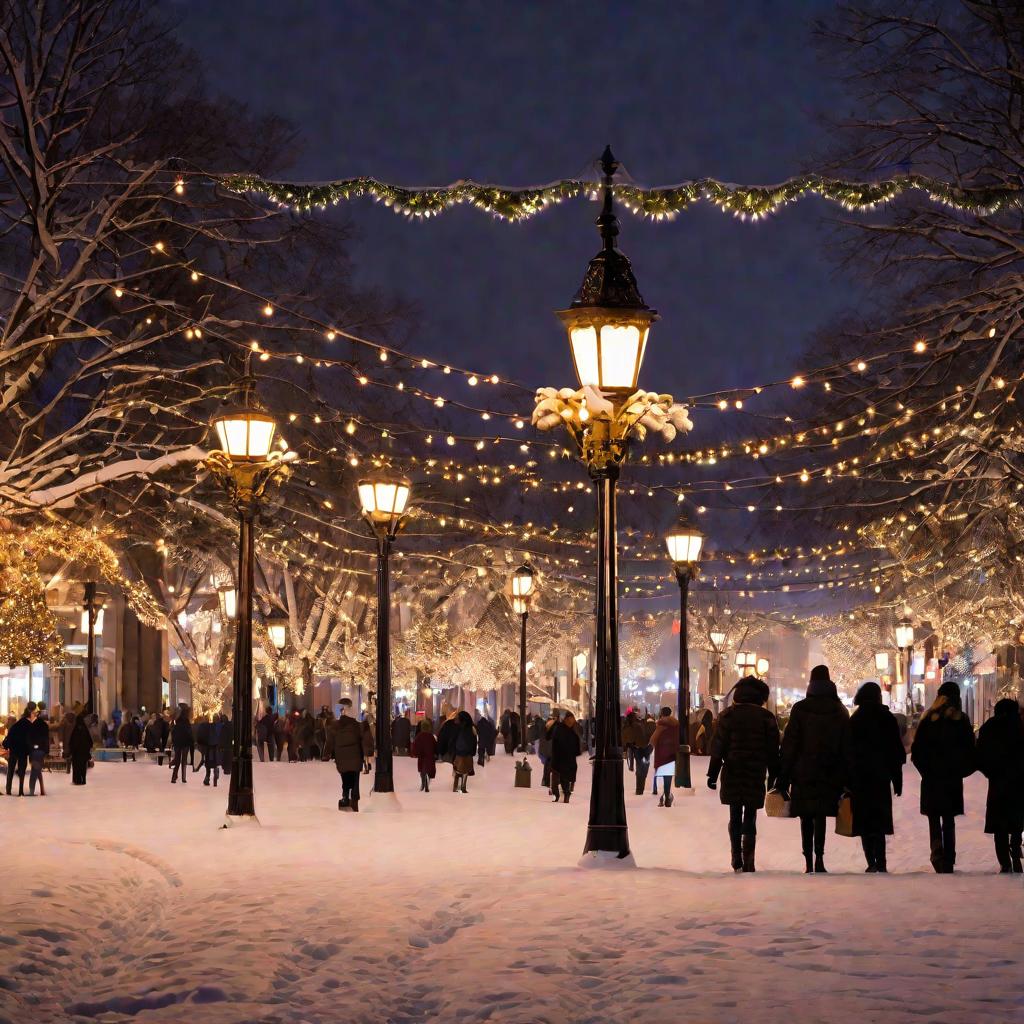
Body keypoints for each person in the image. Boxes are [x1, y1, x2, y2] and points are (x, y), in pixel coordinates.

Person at [778, 665, 850, 873]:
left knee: (806, 816)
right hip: (829, 771)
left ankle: (808, 860)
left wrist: (783, 775)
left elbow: (790, 744)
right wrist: (847, 776)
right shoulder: (839, 710)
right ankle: (820, 857)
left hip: (803, 771)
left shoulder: (800, 709)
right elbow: (846, 746)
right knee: (820, 815)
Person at [707, 676, 780, 872]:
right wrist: (774, 775)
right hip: (755, 772)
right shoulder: (766, 718)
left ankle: (735, 856)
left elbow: (718, 747)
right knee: (750, 816)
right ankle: (749, 860)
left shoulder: (728, 716)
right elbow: (773, 750)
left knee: (734, 814)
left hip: (733, 770)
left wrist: (712, 775)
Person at [911, 680, 976, 873]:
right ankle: (949, 857)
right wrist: (960, 770)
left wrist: (926, 770)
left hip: (932, 778)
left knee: (933, 817)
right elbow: (970, 750)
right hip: (951, 778)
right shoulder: (961, 720)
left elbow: (917, 751)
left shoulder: (929, 718)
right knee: (948, 819)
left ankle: (937, 851)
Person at [847, 681, 906, 873]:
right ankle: (881, 862)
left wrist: (847, 779)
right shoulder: (886, 718)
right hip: (881, 776)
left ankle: (870, 862)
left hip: (860, 777)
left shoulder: (855, 719)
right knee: (879, 820)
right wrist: (897, 779)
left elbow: (848, 752)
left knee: (864, 821)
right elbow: (895, 751)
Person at [975, 698, 1024, 873]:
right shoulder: (1020, 726)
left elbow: (979, 755)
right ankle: (1016, 851)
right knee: (1018, 818)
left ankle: (1004, 861)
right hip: (1019, 781)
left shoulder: (989, 727)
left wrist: (991, 772)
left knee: (1000, 822)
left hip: (998, 781)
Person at [324, 698, 368, 810]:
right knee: (355, 778)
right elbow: (364, 739)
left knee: (345, 777)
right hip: (356, 757)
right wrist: (367, 754)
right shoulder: (357, 726)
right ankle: (354, 798)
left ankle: (345, 796)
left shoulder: (335, 726)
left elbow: (329, 741)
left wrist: (326, 753)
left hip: (341, 758)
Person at [649, 707, 681, 807]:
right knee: (668, 775)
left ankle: (665, 796)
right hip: (671, 753)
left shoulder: (661, 724)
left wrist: (649, 748)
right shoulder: (676, 724)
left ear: (662, 713)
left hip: (661, 753)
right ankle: (667, 796)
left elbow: (654, 738)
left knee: (661, 774)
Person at [3, 703, 35, 796]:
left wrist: (8, 746)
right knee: (22, 771)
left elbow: (10, 735)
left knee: (11, 770)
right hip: (23, 751)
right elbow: (31, 738)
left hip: (14, 749)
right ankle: (21, 790)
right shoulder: (29, 725)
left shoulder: (17, 724)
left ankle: (8, 790)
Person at [549, 711, 581, 803]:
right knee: (564, 777)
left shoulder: (560, 729)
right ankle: (565, 793)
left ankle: (559, 794)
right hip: (567, 759)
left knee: (559, 777)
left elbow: (554, 742)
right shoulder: (573, 732)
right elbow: (577, 750)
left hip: (559, 758)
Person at [452, 710, 478, 793]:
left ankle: (456, 787)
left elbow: (453, 740)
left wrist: (453, 751)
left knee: (458, 770)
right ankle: (463, 787)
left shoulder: (457, 728)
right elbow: (474, 741)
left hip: (459, 753)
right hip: (468, 753)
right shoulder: (471, 728)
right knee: (465, 771)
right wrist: (473, 752)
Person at [28, 703, 50, 797]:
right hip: (41, 751)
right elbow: (46, 739)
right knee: (37, 770)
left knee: (35, 770)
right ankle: (39, 790)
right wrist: (46, 751)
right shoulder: (45, 726)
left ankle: (34, 791)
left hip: (34, 751)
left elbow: (29, 738)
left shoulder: (33, 725)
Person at [411, 718, 437, 791]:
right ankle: (426, 783)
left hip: (422, 757)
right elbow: (435, 746)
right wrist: (436, 753)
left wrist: (415, 753)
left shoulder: (419, 736)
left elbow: (415, 746)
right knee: (429, 771)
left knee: (422, 771)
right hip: (430, 757)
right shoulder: (431, 736)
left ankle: (423, 783)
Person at [170, 707, 193, 784]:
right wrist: (191, 742)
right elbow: (190, 734)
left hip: (177, 744)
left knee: (177, 760)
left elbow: (173, 733)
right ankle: (183, 778)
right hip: (185, 744)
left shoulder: (177, 722)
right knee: (184, 761)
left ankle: (174, 776)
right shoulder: (187, 723)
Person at [69, 714, 93, 785]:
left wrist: (72, 750)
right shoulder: (85, 730)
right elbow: (90, 741)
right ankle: (84, 780)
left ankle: (77, 780)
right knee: (83, 767)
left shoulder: (75, 730)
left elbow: (72, 742)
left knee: (76, 767)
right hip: (84, 753)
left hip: (76, 754)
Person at [203, 714, 223, 786]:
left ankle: (207, 777)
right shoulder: (221, 726)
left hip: (209, 747)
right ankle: (216, 771)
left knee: (208, 762)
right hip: (217, 747)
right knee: (216, 761)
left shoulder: (209, 726)